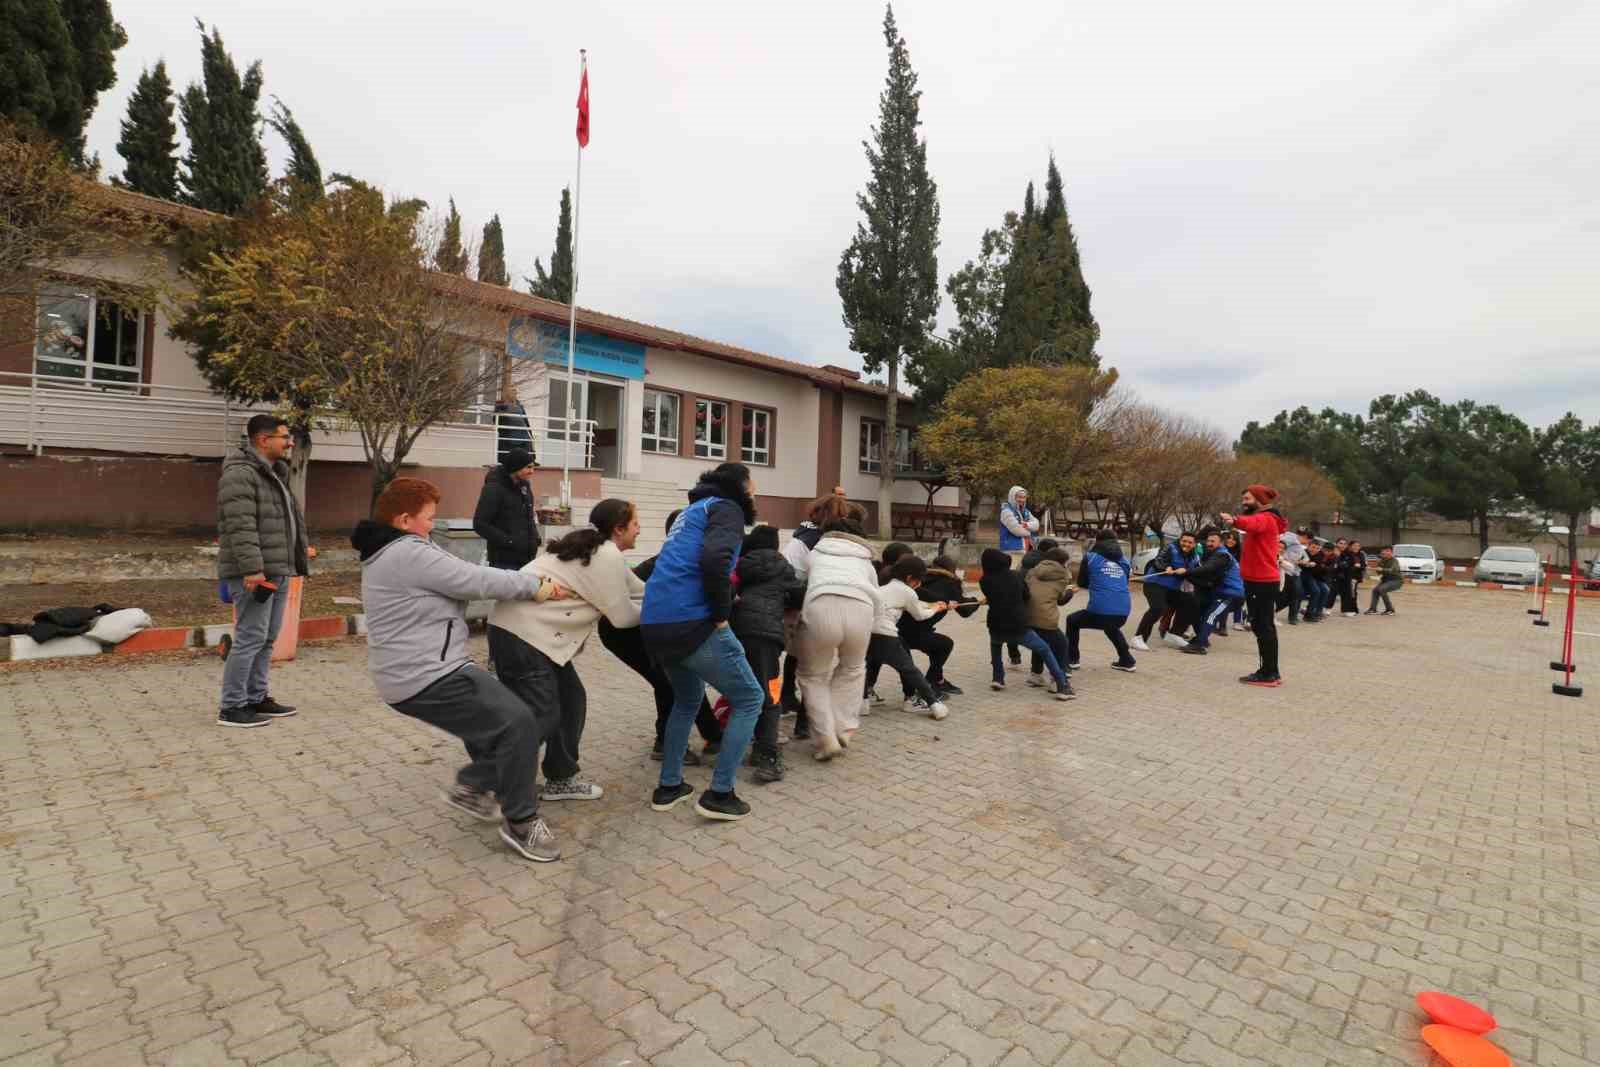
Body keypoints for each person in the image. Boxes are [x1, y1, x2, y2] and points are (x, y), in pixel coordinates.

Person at [353, 477, 567, 863]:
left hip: (415, 673)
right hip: (429, 674)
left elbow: (458, 574)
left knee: (496, 731)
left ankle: (487, 791)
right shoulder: (407, 553)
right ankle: (515, 817)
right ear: (404, 520)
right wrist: (536, 586)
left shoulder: (389, 552)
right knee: (521, 723)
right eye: (428, 518)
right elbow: (474, 580)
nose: (432, 525)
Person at [490, 499, 645, 807]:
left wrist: (673, 596)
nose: (639, 529)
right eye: (635, 523)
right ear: (619, 528)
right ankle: (485, 783)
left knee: (571, 701)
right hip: (524, 638)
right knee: (542, 715)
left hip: (530, 636)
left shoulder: (599, 550)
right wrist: (667, 612)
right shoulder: (607, 555)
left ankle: (560, 778)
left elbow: (639, 589)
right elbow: (623, 617)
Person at [642, 463, 766, 821]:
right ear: (742, 486)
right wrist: (721, 612)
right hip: (692, 620)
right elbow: (715, 559)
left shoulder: (691, 511)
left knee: (686, 700)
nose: (754, 491)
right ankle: (720, 794)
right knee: (750, 698)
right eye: (752, 485)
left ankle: (669, 787)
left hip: (656, 622)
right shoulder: (726, 508)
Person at [599, 508, 725, 765]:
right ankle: (674, 743)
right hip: (626, 632)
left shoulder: (684, 559)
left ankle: (710, 736)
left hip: (643, 628)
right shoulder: (669, 561)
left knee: (677, 680)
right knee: (673, 682)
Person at [216, 414, 311, 728]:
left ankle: (256, 698)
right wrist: (253, 570)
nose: (290, 442)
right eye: (285, 437)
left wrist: (297, 555)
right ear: (263, 439)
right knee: (249, 637)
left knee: (268, 638)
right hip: (256, 572)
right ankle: (232, 707)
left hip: (278, 568)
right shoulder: (240, 474)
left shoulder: (274, 473)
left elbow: (285, 521)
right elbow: (241, 526)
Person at [793, 504, 880, 759]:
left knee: (813, 676)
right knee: (853, 670)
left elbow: (800, 579)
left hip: (821, 607)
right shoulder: (865, 561)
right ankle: (843, 728)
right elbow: (879, 598)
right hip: (861, 610)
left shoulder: (816, 554)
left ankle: (825, 737)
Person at [728, 524, 806, 782]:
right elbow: (798, 596)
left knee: (746, 691)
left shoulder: (742, 565)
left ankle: (739, 746)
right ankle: (768, 757)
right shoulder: (782, 567)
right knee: (770, 695)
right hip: (766, 635)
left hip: (736, 632)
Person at [779, 491, 849, 734]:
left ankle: (786, 695)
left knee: (797, 653)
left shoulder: (804, 532)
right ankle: (804, 722)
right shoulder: (820, 540)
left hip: (786, 596)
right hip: (800, 598)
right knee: (812, 661)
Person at [865, 555, 952, 719]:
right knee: (910, 670)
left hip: (867, 632)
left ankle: (863, 704)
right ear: (910, 578)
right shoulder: (907, 592)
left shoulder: (883, 587)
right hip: (886, 634)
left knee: (868, 667)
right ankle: (934, 704)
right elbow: (919, 615)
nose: (919, 584)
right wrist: (936, 609)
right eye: (918, 580)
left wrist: (932, 605)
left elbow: (912, 605)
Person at [979, 548, 1072, 699]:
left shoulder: (984, 580)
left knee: (996, 650)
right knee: (1044, 649)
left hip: (995, 623)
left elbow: (992, 596)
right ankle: (1062, 685)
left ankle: (998, 678)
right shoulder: (1015, 576)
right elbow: (1026, 595)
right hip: (1017, 624)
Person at [1220, 484, 1289, 687]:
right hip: (1259, 581)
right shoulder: (1268, 518)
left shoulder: (1266, 518)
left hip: (1262, 582)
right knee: (1263, 626)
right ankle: (1270, 671)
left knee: (1262, 626)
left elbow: (1253, 523)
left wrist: (1234, 520)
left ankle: (1268, 673)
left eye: (1248, 499)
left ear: (1260, 500)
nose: (1244, 502)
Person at [898, 554, 979, 696]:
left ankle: (938, 680)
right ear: (952, 569)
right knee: (945, 645)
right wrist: (976, 601)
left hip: (899, 628)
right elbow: (965, 610)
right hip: (915, 632)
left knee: (936, 648)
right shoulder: (950, 582)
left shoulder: (921, 578)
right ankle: (929, 684)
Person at [1065, 532, 1137, 673]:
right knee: (1111, 625)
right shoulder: (1124, 561)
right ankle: (1127, 660)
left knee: (1072, 620)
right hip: (1123, 612)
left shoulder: (1090, 557)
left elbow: (1082, 582)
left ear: (1097, 541)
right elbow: (1122, 580)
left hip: (1100, 611)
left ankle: (1072, 659)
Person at [1173, 529, 1244, 653]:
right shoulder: (1214, 554)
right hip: (1220, 592)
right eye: (1208, 541)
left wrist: (1186, 572)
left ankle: (1200, 645)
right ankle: (1201, 639)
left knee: (1211, 615)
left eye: (1213, 541)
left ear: (1221, 543)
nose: (1209, 543)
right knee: (1197, 611)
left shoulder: (1222, 555)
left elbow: (1208, 569)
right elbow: (1208, 578)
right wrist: (1185, 575)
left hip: (1231, 594)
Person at [472, 448, 542, 570]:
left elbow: (528, 516)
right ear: (515, 468)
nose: (532, 471)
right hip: (503, 561)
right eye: (528, 467)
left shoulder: (525, 486)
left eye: (533, 467)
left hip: (528, 559)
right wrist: (510, 542)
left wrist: (535, 538)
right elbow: (480, 524)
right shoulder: (494, 489)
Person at [1132, 533, 1198, 652]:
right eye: (1184, 541)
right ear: (1180, 540)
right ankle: (1139, 637)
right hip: (1154, 584)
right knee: (1158, 608)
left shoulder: (1194, 557)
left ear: (1194, 544)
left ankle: (1174, 635)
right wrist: (1165, 567)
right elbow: (1159, 561)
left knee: (1191, 602)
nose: (1186, 544)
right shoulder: (1170, 548)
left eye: (1190, 542)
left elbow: (1196, 571)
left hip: (1172, 589)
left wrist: (1187, 571)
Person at [1024, 546, 1077, 691]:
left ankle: (1035, 674)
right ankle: (1057, 680)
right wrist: (1070, 592)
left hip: (1027, 616)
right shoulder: (1062, 575)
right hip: (1045, 618)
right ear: (1062, 562)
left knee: (1040, 643)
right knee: (1061, 644)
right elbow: (1061, 600)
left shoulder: (1033, 571)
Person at [1277, 529, 1307, 626]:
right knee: (1286, 596)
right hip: (1285, 573)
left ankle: (1293, 616)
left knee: (1296, 594)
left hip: (1293, 572)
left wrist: (1303, 561)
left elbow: (1304, 557)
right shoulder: (1289, 538)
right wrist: (1283, 560)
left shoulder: (1298, 545)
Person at [999, 486, 1040, 553]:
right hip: (1011, 550)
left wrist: (1026, 525)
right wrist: (1030, 532)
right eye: (1019, 497)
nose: (1022, 500)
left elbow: (1037, 524)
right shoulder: (1006, 511)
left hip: (1026, 548)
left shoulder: (1025, 511)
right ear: (1012, 497)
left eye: (1024, 497)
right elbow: (1017, 530)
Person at [1366, 548, 1403, 615]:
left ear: (1391, 553)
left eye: (1387, 552)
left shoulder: (1394, 560)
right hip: (1385, 580)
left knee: (1382, 589)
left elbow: (1392, 570)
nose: (1384, 554)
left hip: (1396, 580)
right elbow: (1378, 573)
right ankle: (1373, 609)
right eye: (1383, 553)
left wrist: (1382, 569)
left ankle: (1390, 610)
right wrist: (1374, 567)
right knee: (1375, 590)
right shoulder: (1381, 561)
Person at [1343, 540, 1368, 616]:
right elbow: (1344, 565)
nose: (1356, 547)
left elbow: (1364, 566)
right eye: (1354, 545)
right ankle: (1348, 609)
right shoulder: (1346, 554)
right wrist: (1352, 566)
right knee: (1347, 592)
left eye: (1358, 546)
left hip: (1355, 577)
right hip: (1345, 576)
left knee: (1352, 592)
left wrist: (1360, 566)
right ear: (1350, 546)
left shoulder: (1361, 554)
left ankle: (1353, 609)